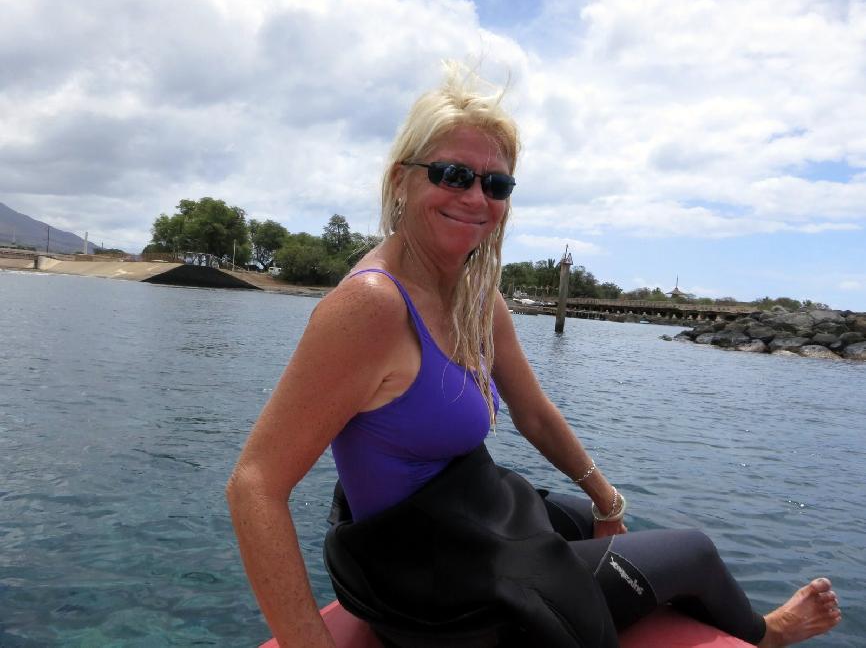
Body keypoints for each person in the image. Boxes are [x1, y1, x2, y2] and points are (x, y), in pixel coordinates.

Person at [227, 63, 842, 647]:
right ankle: (769, 634)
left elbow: (535, 413)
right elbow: (254, 485)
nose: (476, 197)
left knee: (588, 524)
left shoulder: (474, 293)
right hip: (428, 584)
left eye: (495, 184)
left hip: (465, 517)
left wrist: (606, 498)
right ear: (400, 181)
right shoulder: (372, 306)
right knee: (692, 552)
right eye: (452, 175)